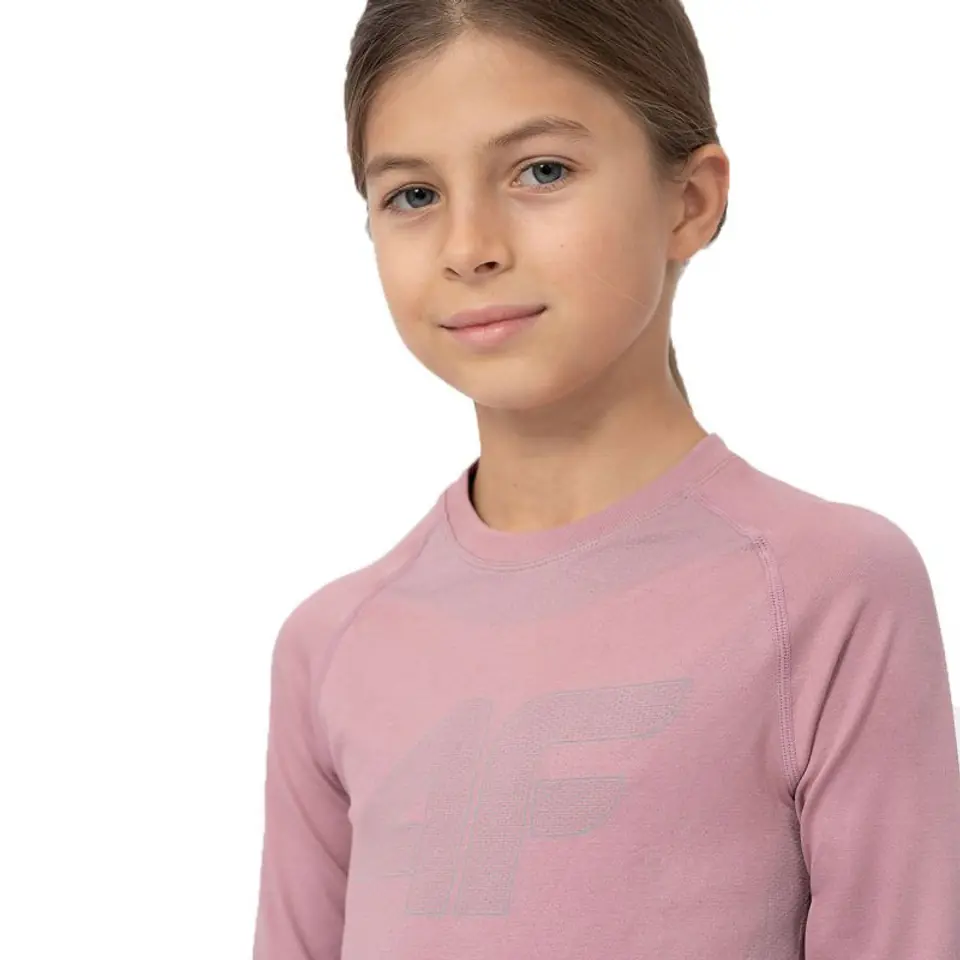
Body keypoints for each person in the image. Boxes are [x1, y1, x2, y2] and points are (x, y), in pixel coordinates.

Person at [252, 2, 960, 958]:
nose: (469, 246)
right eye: (414, 194)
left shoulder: (826, 590)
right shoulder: (332, 645)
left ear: (690, 201)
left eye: (542, 171)